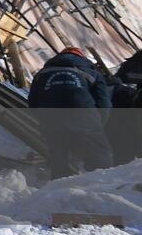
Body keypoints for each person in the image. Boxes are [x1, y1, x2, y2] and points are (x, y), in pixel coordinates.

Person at [28, 47, 114, 178]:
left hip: (52, 117)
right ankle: (105, 186)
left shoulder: (41, 74)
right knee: (101, 157)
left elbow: (33, 102)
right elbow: (105, 103)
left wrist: (44, 120)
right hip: (84, 114)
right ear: (81, 58)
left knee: (59, 159)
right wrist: (98, 124)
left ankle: (59, 191)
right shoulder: (92, 73)